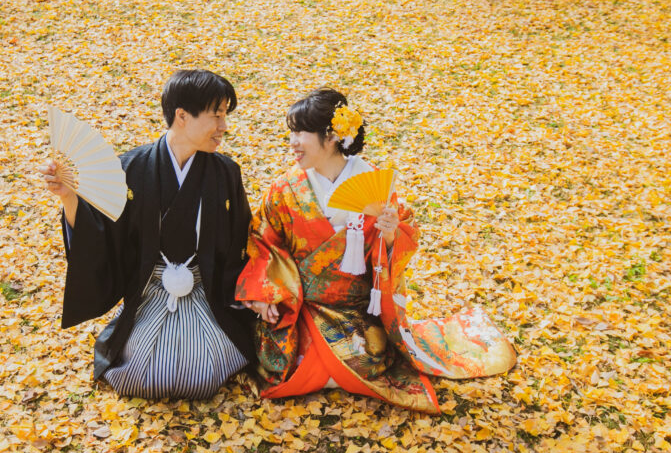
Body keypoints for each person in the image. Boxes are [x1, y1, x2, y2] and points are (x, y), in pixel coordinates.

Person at [236, 89, 516, 414]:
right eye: (291, 133)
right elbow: (263, 241)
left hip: (355, 309)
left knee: (365, 359)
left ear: (330, 136)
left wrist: (391, 234)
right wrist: (265, 295)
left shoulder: (371, 182)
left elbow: (399, 246)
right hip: (303, 306)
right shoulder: (285, 189)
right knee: (283, 362)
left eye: (300, 133)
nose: (293, 143)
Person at [40, 69, 255, 400]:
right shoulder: (131, 168)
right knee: (142, 376)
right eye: (217, 115)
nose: (223, 127)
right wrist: (69, 197)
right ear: (182, 116)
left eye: (225, 115)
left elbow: (241, 243)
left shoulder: (225, 173)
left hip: (205, 291)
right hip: (150, 292)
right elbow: (100, 238)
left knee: (203, 373)